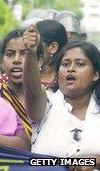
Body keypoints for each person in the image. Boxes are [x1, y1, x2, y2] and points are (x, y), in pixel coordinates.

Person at [23, 26, 100, 167]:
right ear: (58, 75)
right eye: (65, 64)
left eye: (80, 64)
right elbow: (31, 91)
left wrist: (95, 161)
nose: (71, 68)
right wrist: (30, 53)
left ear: (95, 74)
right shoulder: (48, 105)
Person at [0, 29, 41, 136]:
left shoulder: (51, 100)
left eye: (24, 53)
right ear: (2, 62)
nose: (16, 60)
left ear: (39, 61)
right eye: (10, 54)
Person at [36, 19, 68, 91]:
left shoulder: (69, 79)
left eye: (35, 43)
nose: (29, 47)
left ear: (53, 47)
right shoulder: (17, 76)